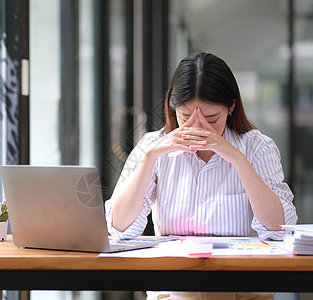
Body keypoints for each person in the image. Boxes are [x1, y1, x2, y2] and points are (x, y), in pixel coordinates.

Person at [105, 52, 298, 300]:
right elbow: (119, 229)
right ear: (173, 110)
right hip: (174, 291)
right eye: (186, 117)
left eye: (211, 119)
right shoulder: (152, 147)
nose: (198, 127)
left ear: (231, 107)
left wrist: (236, 158)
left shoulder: (257, 148)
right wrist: (150, 158)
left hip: (242, 292)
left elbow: (281, 230)